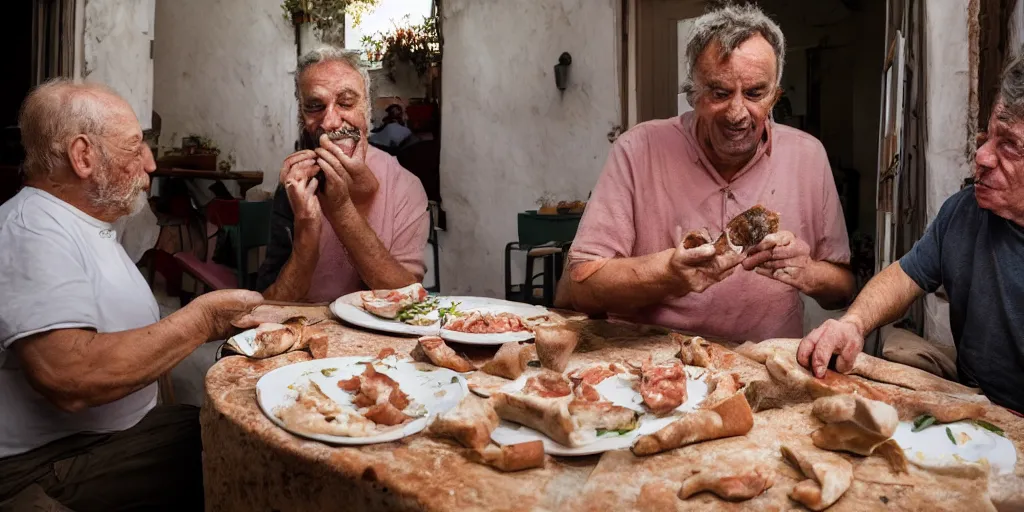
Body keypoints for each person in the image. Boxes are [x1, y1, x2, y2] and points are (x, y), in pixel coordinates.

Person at [0, 80, 262, 510]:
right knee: (240, 450)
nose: (151, 164)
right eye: (135, 147)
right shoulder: (33, 229)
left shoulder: (81, 222)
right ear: (83, 156)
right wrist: (201, 320)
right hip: (46, 464)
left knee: (235, 421)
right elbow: (69, 376)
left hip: (107, 438)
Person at [557, 4, 854, 342]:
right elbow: (578, 286)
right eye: (720, 93)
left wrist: (808, 272)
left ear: (775, 96)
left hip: (765, 368)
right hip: (653, 367)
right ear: (693, 96)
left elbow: (842, 290)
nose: (738, 113)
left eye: (756, 93)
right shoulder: (638, 150)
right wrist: (669, 274)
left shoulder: (808, 156)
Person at [799, 50, 1024, 414]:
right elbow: (904, 277)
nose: (981, 156)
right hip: (974, 396)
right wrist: (853, 324)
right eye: (989, 136)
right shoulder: (964, 210)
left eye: (1010, 145)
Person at [256, 48, 429, 302]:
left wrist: (341, 209)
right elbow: (271, 303)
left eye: (346, 103)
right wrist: (306, 230)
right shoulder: (298, 184)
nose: (330, 122)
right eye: (315, 107)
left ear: (367, 109)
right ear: (302, 116)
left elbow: (407, 299)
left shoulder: (404, 186)